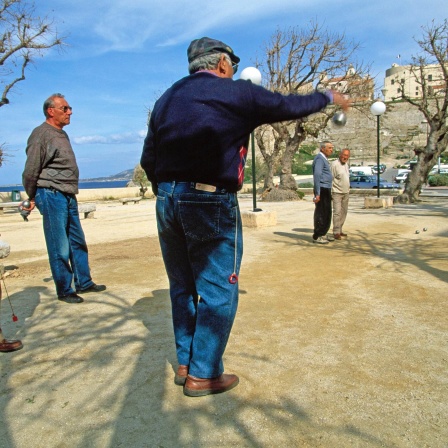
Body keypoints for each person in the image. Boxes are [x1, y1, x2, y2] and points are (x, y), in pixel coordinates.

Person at [140, 37, 349, 397]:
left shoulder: (167, 99)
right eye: (233, 65)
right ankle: (204, 374)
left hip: (167, 200)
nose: (234, 70)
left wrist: (169, 188)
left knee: (182, 286)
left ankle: (188, 362)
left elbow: (148, 157)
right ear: (222, 63)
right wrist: (328, 97)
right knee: (218, 289)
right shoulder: (233, 92)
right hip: (208, 199)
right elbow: (287, 105)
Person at [22, 93, 106, 304]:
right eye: (65, 108)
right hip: (50, 194)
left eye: (69, 108)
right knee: (59, 245)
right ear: (51, 111)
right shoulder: (41, 134)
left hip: (67, 194)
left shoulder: (61, 134)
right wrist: (31, 196)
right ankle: (64, 290)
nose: (70, 112)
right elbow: (31, 169)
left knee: (77, 241)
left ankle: (84, 282)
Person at [312, 141, 335, 244]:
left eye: (332, 148)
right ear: (322, 148)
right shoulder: (320, 159)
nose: (331, 150)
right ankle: (318, 235)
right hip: (322, 189)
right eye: (329, 148)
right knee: (322, 212)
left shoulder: (324, 159)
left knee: (327, 212)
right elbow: (317, 175)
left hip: (326, 188)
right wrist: (317, 193)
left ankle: (324, 232)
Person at [331, 148, 351, 240]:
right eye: (344, 155)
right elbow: (330, 178)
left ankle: (340, 229)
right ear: (340, 155)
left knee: (344, 212)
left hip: (346, 192)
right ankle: (336, 232)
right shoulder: (334, 164)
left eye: (347, 156)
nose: (345, 157)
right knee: (337, 212)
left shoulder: (346, 164)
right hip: (336, 192)